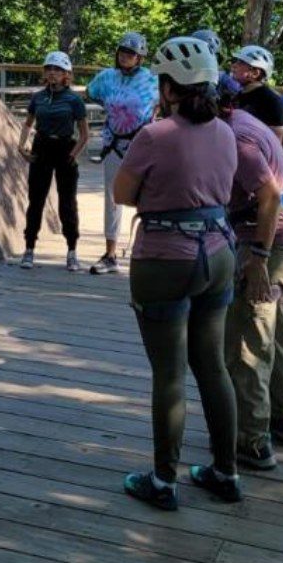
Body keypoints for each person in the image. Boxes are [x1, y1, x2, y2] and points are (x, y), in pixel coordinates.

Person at [114, 37, 242, 510]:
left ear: (168, 88)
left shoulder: (156, 135)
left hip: (166, 256)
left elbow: (122, 194)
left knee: (169, 373)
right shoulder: (227, 133)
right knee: (212, 365)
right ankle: (225, 472)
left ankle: (164, 481)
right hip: (219, 251)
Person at [219, 74, 283, 469]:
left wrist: (258, 257)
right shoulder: (244, 122)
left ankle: (253, 439)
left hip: (273, 245)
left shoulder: (236, 139)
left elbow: (269, 197)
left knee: (248, 340)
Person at [85, 31, 158, 274]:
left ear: (140, 58)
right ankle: (110, 253)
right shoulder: (107, 77)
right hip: (114, 143)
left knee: (147, 197)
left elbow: (167, 101)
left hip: (142, 144)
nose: (125, 56)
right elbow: (91, 92)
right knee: (113, 197)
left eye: (131, 54)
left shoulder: (151, 80)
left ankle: (146, 252)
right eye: (123, 52)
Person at [17, 51, 90, 271]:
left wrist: (74, 154)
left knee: (67, 202)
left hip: (65, 148)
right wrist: (21, 146)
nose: (52, 73)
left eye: (57, 70)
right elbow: (28, 123)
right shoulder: (38, 97)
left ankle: (72, 251)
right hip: (42, 147)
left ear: (66, 74)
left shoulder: (74, 99)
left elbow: (85, 133)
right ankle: (29, 249)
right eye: (49, 68)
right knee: (36, 199)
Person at [229, 45, 283, 140]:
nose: (234, 65)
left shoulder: (272, 101)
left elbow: (276, 141)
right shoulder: (236, 97)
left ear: (255, 73)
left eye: (241, 63)